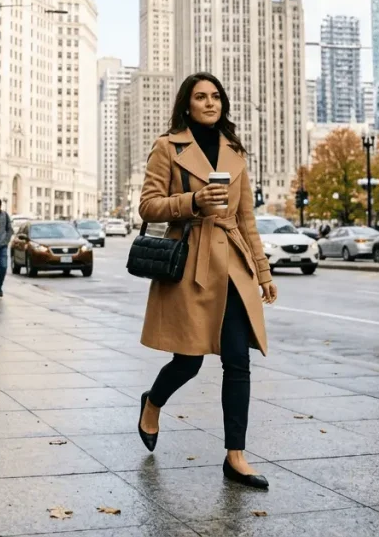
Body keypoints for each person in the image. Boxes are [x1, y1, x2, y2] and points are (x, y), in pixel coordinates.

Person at [136, 72, 278, 490]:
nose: (210, 103)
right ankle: (152, 402)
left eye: (216, 96)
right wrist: (192, 201)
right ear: (187, 104)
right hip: (191, 266)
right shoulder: (168, 147)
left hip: (233, 265)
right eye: (201, 97)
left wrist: (263, 271)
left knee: (238, 360)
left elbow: (246, 218)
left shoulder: (234, 151)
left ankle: (236, 455)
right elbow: (148, 206)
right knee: (190, 360)